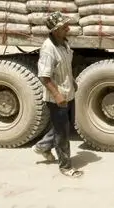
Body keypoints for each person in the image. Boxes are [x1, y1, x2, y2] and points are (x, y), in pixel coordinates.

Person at [31, 11, 83, 178]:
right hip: (57, 98)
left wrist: (72, 80)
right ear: (54, 30)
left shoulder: (64, 43)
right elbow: (44, 76)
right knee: (63, 133)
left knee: (63, 127)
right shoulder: (48, 48)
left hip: (69, 93)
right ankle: (66, 167)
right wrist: (57, 95)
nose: (68, 28)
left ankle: (42, 147)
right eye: (63, 26)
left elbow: (65, 67)